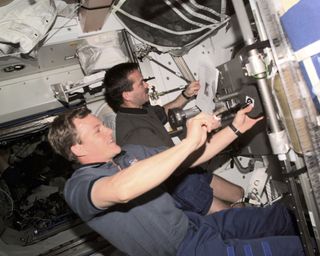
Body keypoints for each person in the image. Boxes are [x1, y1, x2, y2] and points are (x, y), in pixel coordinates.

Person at [47, 106, 304, 256]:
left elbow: (190, 158)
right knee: (291, 250)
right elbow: (122, 189)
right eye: (97, 130)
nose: (107, 130)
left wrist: (236, 128)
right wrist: (190, 141)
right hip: (186, 251)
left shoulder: (130, 153)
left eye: (103, 125)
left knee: (280, 217)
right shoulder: (79, 187)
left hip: (197, 225)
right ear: (78, 148)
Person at [103, 62, 244, 214]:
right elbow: (173, 164)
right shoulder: (136, 132)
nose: (147, 85)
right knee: (230, 217)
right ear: (127, 95)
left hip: (189, 173)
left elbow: (161, 113)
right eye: (141, 83)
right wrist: (204, 131)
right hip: (180, 185)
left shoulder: (137, 109)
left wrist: (185, 95)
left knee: (238, 194)